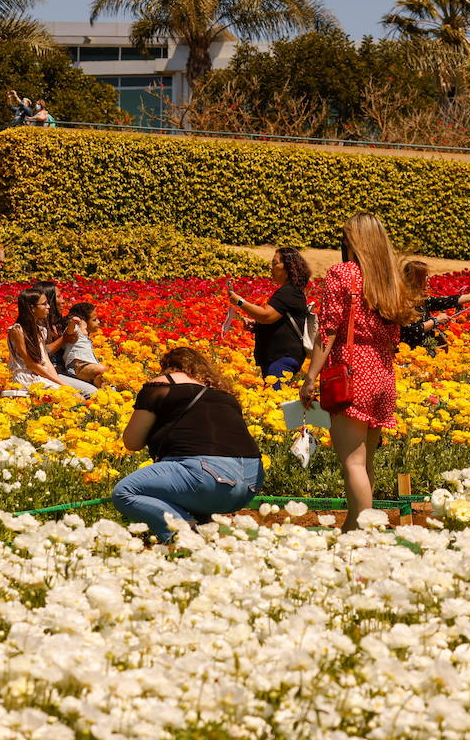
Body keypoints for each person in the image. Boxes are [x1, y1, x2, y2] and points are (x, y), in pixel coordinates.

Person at [297, 214, 416, 533]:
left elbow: (330, 329)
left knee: (352, 462)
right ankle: (354, 526)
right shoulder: (390, 278)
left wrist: (310, 378)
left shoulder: (343, 273)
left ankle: (362, 530)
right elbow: (396, 333)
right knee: (365, 463)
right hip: (382, 373)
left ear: (352, 240)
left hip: (351, 371)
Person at [112, 347, 263, 544]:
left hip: (208, 477)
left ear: (168, 368)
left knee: (125, 492)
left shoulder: (161, 386)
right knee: (190, 494)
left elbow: (132, 442)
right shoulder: (225, 396)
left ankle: (184, 539)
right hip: (250, 485)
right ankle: (202, 536)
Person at [228, 247, 311, 384]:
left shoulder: (289, 292)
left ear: (288, 267)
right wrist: (256, 326)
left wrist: (239, 301)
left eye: (275, 263)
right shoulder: (289, 291)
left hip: (282, 358)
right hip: (276, 357)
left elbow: (266, 316)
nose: (271, 268)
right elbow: (277, 321)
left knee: (277, 401)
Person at [5, 289, 97, 397]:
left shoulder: (40, 331)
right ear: (32, 308)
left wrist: (61, 383)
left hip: (42, 376)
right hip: (27, 378)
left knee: (77, 396)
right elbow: (32, 365)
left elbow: (46, 361)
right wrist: (61, 384)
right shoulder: (17, 331)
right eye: (44, 304)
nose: (48, 306)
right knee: (76, 397)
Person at [398, 260, 470, 349]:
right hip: (409, 352)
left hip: (422, 350)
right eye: (425, 276)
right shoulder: (404, 302)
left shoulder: (421, 298)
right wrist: (435, 320)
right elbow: (410, 330)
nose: (428, 278)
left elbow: (447, 301)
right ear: (416, 279)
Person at [32, 280, 77, 371]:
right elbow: (42, 353)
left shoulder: (60, 322)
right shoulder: (35, 326)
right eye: (58, 297)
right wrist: (64, 338)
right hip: (47, 372)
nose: (63, 301)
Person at [62, 302, 107, 388]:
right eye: (94, 320)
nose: (98, 322)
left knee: (103, 377)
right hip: (77, 368)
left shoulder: (86, 336)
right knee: (102, 369)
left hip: (87, 367)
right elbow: (69, 332)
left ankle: (103, 393)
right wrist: (73, 323)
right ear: (83, 322)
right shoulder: (76, 330)